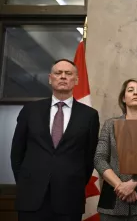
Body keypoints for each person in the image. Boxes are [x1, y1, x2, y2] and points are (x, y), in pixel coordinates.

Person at [10, 58, 100, 221]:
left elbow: (89, 158)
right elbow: (17, 152)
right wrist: (26, 181)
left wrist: (72, 180)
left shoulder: (89, 115)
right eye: (58, 73)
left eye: (68, 73)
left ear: (76, 80)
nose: (63, 77)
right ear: (50, 78)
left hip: (69, 198)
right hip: (31, 197)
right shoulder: (30, 110)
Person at [94, 78, 137, 221]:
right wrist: (121, 186)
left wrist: (133, 183)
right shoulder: (111, 125)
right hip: (113, 201)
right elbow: (99, 159)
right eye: (130, 90)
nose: (135, 93)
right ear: (123, 97)